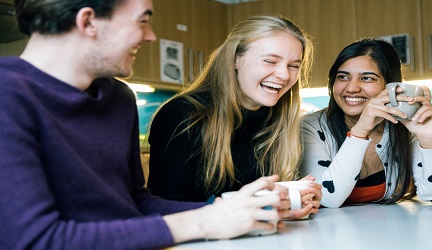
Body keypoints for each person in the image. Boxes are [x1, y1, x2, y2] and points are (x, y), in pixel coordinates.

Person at [0, 1, 290, 249]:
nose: (151, 36)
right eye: (142, 21)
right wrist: (203, 221)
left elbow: (136, 203)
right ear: (88, 21)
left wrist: (238, 210)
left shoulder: (119, 97)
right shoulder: (8, 95)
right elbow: (33, 240)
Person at [147, 15, 321, 219]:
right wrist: (260, 209)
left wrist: (293, 201)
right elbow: (167, 207)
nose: (284, 75)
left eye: (294, 66)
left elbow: (261, 199)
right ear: (235, 59)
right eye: (270, 61)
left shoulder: (279, 120)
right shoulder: (183, 115)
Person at [300, 38, 432, 208]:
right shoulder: (310, 127)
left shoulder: (404, 126)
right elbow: (326, 198)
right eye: (343, 77)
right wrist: (360, 130)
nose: (352, 88)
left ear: (390, 86)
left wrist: (429, 140)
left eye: (367, 78)